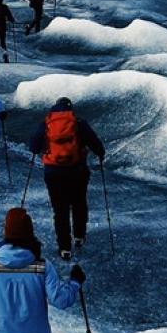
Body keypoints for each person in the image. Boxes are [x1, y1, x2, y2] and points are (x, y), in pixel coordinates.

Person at [29, 97, 105, 259]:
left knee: (60, 210)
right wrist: (100, 154)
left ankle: (64, 248)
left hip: (53, 173)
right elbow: (96, 144)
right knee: (79, 204)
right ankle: (79, 237)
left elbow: (33, 147)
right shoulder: (79, 123)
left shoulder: (46, 123)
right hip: (77, 171)